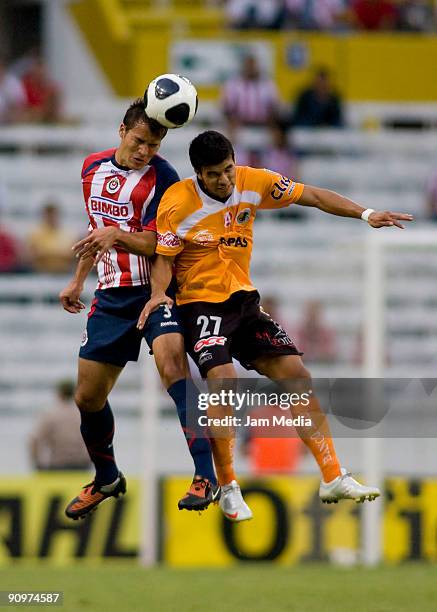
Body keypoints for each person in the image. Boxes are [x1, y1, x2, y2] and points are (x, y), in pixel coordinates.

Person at [138, 130, 413, 518]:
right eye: (214, 174)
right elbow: (164, 258)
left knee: (295, 373)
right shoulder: (177, 203)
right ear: (198, 173)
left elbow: (313, 196)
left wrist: (366, 214)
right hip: (199, 305)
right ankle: (229, 484)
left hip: (244, 302)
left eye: (228, 169)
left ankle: (332, 475)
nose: (224, 180)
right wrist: (158, 294)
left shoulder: (254, 181)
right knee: (223, 378)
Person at [60, 100, 221, 521]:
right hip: (112, 295)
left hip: (157, 290)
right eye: (139, 141)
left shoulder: (165, 178)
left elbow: (161, 243)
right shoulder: (91, 169)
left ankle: (206, 474)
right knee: (87, 396)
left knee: (172, 366)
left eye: (153, 144)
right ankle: (107, 477)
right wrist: (79, 278)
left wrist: (118, 235)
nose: (145, 151)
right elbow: (97, 231)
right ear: (121, 131)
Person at [29, 380, 91, 471]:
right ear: (75, 393)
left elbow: (35, 440)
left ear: (59, 394)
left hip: (57, 466)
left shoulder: (51, 414)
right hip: (82, 466)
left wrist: (38, 464)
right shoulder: (84, 414)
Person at [221, 54, 281, 132]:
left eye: (253, 66)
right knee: (229, 128)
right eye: (248, 66)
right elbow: (226, 107)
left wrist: (272, 120)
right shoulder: (233, 84)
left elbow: (275, 105)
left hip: (264, 123)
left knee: (278, 129)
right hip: (239, 124)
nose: (251, 69)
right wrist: (231, 119)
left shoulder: (268, 84)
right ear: (243, 67)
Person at [28, 202, 76, 273]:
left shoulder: (68, 234)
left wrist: (47, 254)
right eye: (49, 215)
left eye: (54, 215)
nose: (51, 217)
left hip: (64, 272)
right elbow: (34, 256)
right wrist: (60, 254)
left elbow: (72, 255)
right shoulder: (35, 234)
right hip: (40, 272)